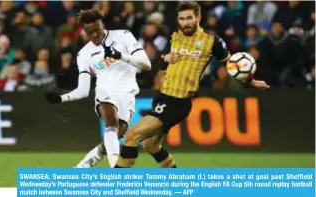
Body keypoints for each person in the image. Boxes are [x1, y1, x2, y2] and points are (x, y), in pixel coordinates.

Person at [114, 1, 269, 168]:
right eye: (182, 18)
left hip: (178, 101)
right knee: (150, 145)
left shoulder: (212, 41)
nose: (185, 22)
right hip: (162, 97)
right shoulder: (175, 37)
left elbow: (232, 64)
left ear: (198, 17)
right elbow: (162, 64)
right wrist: (164, 59)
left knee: (131, 136)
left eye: (189, 18)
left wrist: (251, 80)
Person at [44, 9, 151, 168]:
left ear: (103, 25)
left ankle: (81, 168)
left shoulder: (123, 36)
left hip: (127, 94)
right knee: (111, 125)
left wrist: (120, 56)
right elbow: (83, 90)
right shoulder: (84, 54)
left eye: (97, 30)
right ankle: (116, 169)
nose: (94, 35)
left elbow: (146, 65)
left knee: (111, 140)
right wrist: (62, 98)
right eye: (89, 32)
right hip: (105, 92)